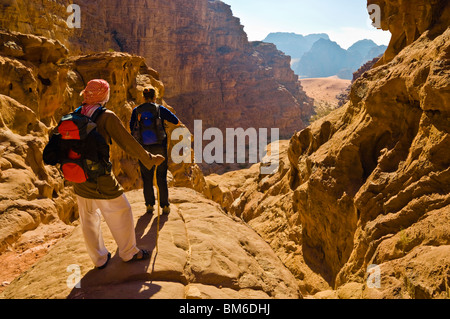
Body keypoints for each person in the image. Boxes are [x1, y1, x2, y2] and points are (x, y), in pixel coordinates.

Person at [70, 79, 165, 269]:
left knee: (88, 216)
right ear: (104, 95)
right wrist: (149, 158)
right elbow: (126, 142)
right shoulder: (106, 116)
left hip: (78, 175)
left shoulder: (75, 114)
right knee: (122, 209)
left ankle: (99, 259)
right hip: (100, 176)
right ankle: (129, 252)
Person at [130, 88, 180, 215]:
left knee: (147, 178)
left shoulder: (137, 111)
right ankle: (165, 206)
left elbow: (132, 127)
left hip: (143, 149)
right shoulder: (159, 109)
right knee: (161, 177)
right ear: (154, 97)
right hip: (160, 147)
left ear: (143, 97)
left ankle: (149, 205)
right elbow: (176, 121)